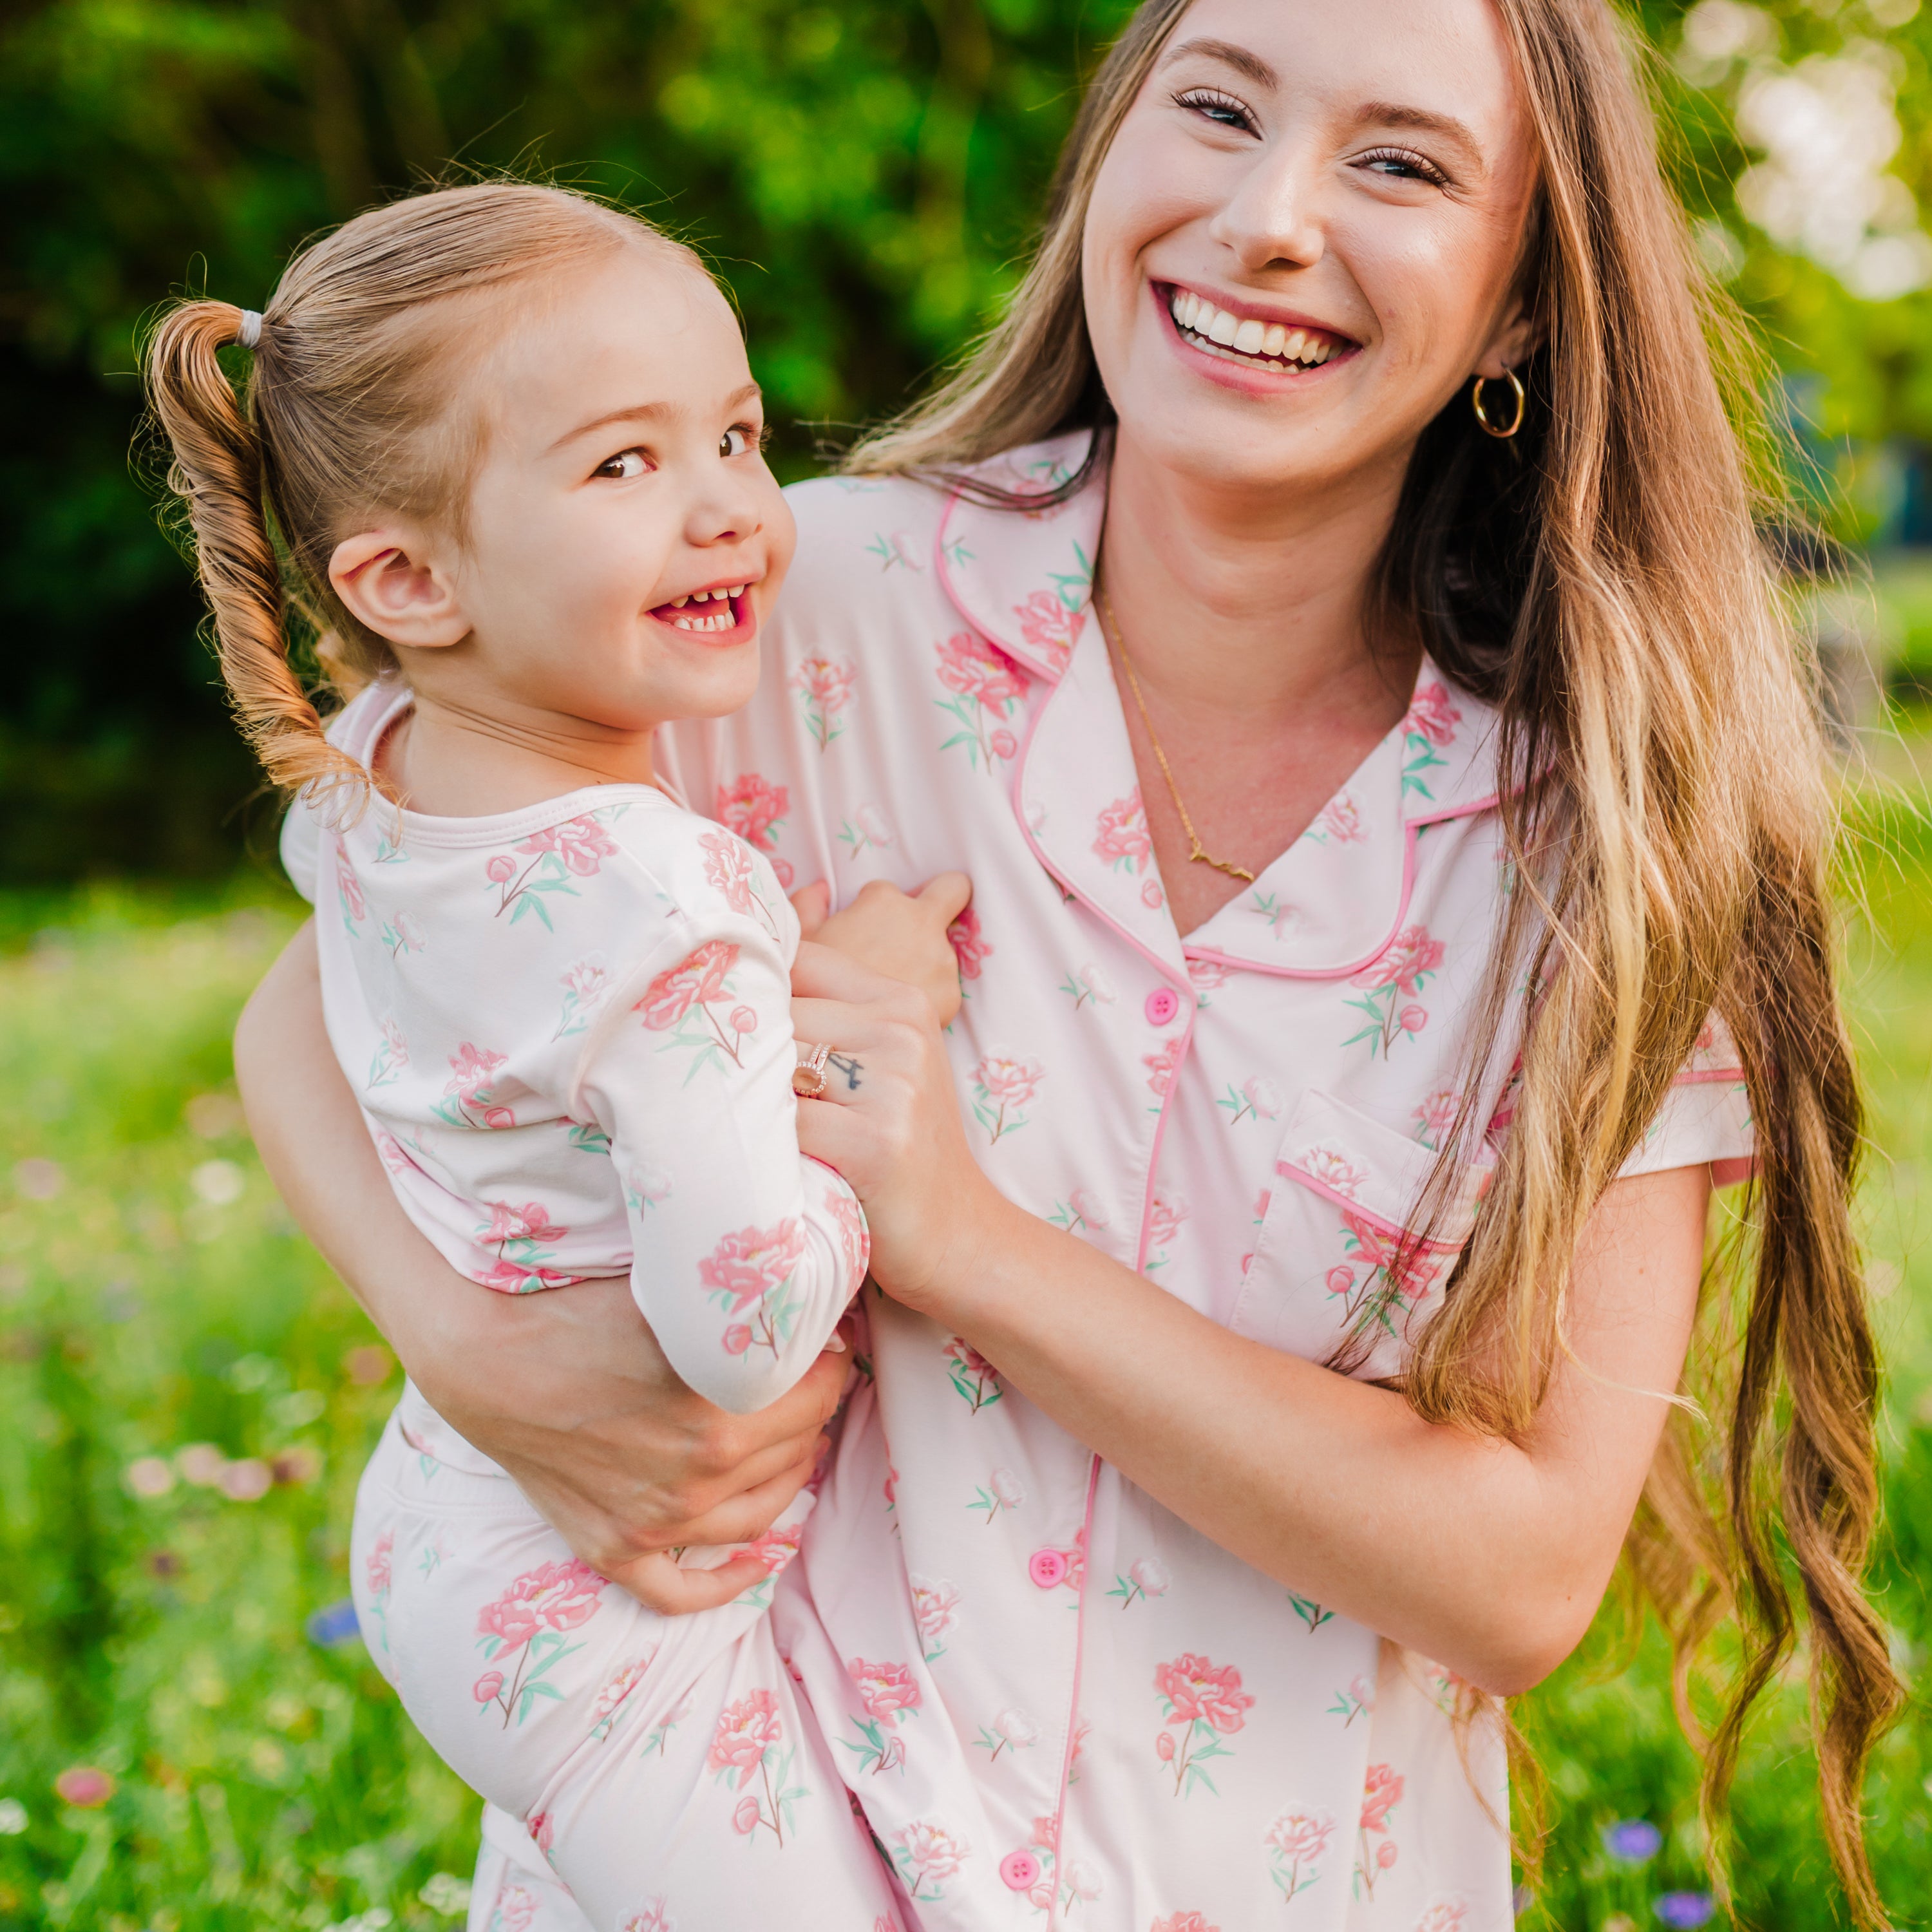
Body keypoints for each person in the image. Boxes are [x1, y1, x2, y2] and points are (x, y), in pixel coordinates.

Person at [236, 1, 1900, 1927]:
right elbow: (339, 966)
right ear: (1111, 156)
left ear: (1524, 305)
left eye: (1401, 161)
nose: (1269, 218)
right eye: (1215, 106)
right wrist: (480, 1354)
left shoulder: (1602, 844)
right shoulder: (769, 602)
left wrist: (954, 1232)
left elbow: (1523, 1576)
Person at [146, 182, 972, 1929]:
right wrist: (862, 1036)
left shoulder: (376, 768)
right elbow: (738, 1323)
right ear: (404, 579)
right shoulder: (657, 899)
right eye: (625, 467)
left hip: (462, 1517)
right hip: (609, 1591)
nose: (732, 512)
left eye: (737, 437)